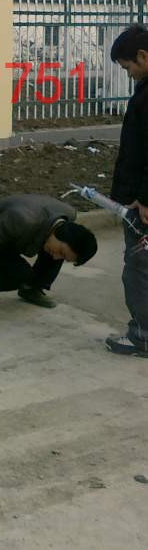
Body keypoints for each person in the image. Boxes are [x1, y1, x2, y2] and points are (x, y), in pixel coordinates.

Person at [107, 25, 148, 357]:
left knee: (139, 267)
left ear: (143, 56)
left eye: (127, 67)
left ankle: (142, 336)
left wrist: (145, 198)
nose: (128, 73)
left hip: (141, 203)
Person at [0, 194, 97, 307]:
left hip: (21, 232)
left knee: (56, 250)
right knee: (19, 275)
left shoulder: (68, 216)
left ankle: (31, 288)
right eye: (61, 252)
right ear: (60, 232)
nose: (56, 258)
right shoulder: (21, 219)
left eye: (65, 258)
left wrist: (61, 253)